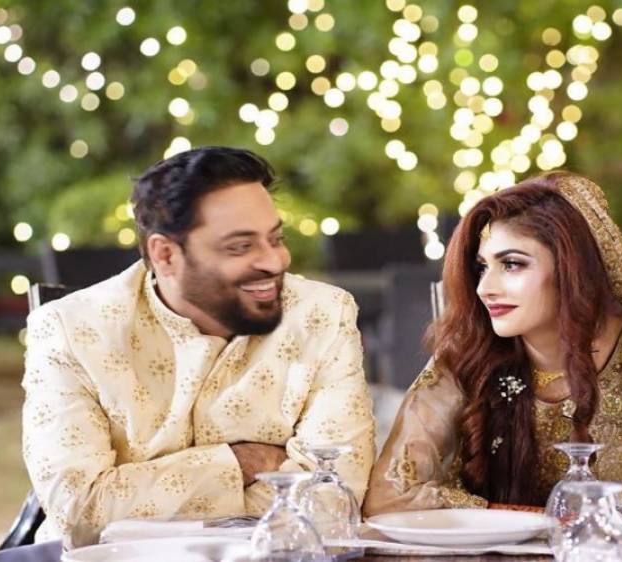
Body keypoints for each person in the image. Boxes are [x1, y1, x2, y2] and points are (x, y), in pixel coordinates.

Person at [22, 146, 375, 548]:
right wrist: (242, 463)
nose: (274, 261)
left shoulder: (322, 314)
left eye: (276, 238)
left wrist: (145, 493)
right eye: (240, 247)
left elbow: (332, 503)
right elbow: (78, 511)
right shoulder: (71, 329)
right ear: (166, 255)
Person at [364, 171, 622, 525]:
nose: (485, 288)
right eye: (482, 267)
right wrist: (526, 520)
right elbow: (388, 496)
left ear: (571, 268)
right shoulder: (469, 353)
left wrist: (573, 513)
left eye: (512, 264)